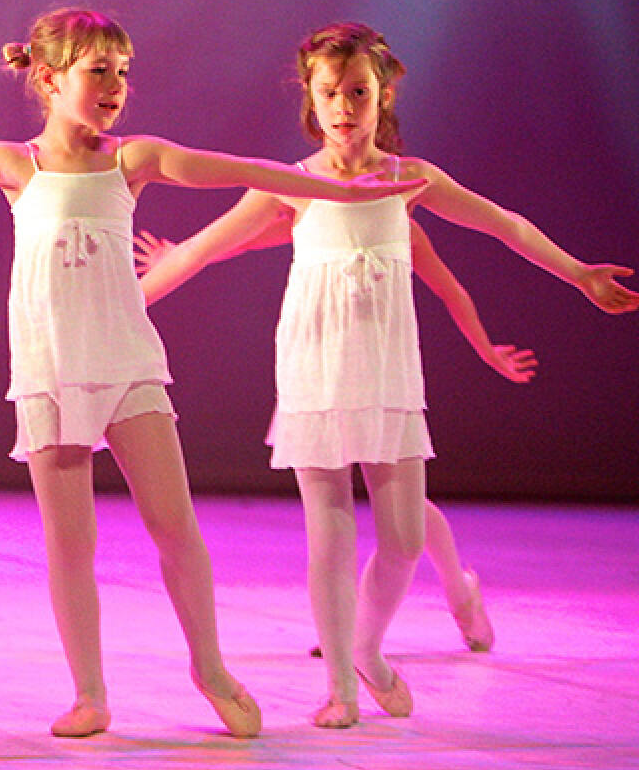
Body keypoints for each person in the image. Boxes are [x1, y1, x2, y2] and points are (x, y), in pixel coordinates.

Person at [0, 7, 423, 738]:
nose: (115, 86)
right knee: (71, 545)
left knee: (177, 529)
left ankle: (211, 668)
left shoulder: (133, 159)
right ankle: (91, 694)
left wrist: (341, 190)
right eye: (98, 71)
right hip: (51, 372)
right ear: (48, 80)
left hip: (129, 365)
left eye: (122, 73)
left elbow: (241, 171)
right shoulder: (14, 164)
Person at [136, 21, 635, 727]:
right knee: (330, 534)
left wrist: (577, 272)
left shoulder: (410, 180)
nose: (344, 107)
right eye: (330, 93)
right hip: (315, 369)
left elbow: (505, 224)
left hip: (388, 373)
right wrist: (119, 309)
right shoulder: (292, 185)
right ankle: (341, 686)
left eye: (358, 93)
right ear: (310, 96)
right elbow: (195, 252)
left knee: (403, 538)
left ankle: (368, 648)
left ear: (384, 95)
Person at [136, 218, 526, 654]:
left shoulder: (399, 224)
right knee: (336, 519)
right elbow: (240, 241)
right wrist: (177, 253)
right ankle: (351, 634)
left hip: (380, 374)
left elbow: (450, 289)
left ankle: (459, 593)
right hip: (321, 373)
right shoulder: (312, 210)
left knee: (406, 512)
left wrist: (488, 350)